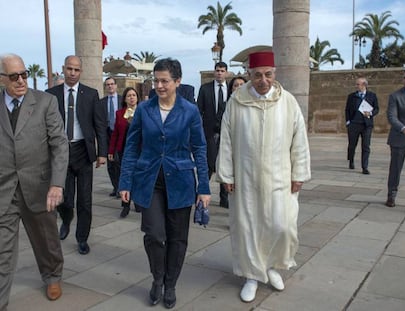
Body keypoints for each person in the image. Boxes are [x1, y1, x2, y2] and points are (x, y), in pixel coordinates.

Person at [216, 51, 311, 303]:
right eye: (257, 75)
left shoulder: (288, 102)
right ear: (249, 74)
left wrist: (299, 171)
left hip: (280, 178)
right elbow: (226, 140)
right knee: (249, 227)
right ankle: (251, 275)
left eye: (268, 74)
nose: (263, 80)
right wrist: (226, 173)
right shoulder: (236, 101)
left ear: (274, 73)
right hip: (245, 179)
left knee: (282, 225)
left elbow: (299, 139)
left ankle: (271, 266)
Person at [118, 58, 211, 309]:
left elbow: (200, 149)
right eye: (155, 81)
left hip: (180, 181)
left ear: (177, 82)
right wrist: (125, 182)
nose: (158, 86)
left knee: (178, 238)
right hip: (149, 180)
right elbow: (131, 147)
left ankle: (171, 284)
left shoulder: (189, 111)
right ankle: (157, 279)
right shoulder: (144, 110)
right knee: (155, 235)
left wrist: (204, 186)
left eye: (164, 81)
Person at [0, 53, 69, 307]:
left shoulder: (45, 102)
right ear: (2, 79)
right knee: (2, 251)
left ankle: (52, 274)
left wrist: (56, 183)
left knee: (46, 239)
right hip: (4, 189)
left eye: (24, 74)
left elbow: (60, 145)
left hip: (39, 187)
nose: (21, 81)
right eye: (14, 76)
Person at [46, 55, 107, 255]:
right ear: (63, 69)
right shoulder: (51, 95)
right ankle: (66, 218)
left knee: (85, 200)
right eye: (69, 69)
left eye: (76, 70)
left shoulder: (90, 94)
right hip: (60, 152)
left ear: (81, 71)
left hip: (83, 151)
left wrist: (102, 153)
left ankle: (82, 238)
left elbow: (99, 124)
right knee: (64, 198)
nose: (72, 73)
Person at [197, 61, 229, 208]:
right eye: (217, 70)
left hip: (227, 133)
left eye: (222, 71)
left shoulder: (232, 90)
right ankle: (202, 193)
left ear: (226, 73)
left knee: (225, 164)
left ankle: (224, 198)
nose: (219, 73)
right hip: (208, 132)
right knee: (209, 164)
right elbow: (199, 111)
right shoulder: (205, 89)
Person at [108, 87, 141, 217]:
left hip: (141, 149)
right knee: (125, 176)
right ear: (125, 99)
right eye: (129, 96)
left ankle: (139, 202)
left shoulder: (143, 111)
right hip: (125, 150)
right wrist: (111, 150)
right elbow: (115, 134)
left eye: (133, 95)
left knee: (139, 176)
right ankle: (125, 205)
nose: (132, 97)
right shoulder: (120, 113)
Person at [385, 67, 405, 207]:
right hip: (399, 138)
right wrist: (403, 128)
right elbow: (391, 116)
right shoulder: (395, 96)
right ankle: (391, 195)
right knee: (395, 169)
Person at [345, 77, 379, 174]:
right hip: (354, 124)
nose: (356, 86)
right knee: (352, 145)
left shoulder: (372, 96)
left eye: (358, 84)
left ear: (364, 85)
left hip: (366, 125)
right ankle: (351, 160)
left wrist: (371, 113)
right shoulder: (351, 96)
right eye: (356, 84)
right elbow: (347, 110)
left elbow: (377, 108)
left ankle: (365, 167)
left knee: (366, 146)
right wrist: (348, 122)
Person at [100, 77, 123, 197]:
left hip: (120, 134)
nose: (110, 86)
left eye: (112, 84)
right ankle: (115, 187)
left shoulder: (122, 100)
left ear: (116, 86)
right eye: (107, 84)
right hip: (108, 134)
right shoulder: (102, 102)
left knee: (119, 162)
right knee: (110, 163)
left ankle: (120, 187)